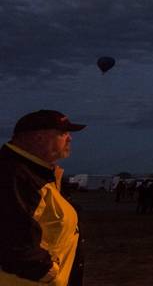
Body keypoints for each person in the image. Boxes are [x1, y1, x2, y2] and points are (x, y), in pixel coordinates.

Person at [0, 109, 86, 286]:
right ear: (39, 137)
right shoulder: (13, 175)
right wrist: (52, 275)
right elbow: (13, 245)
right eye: (63, 133)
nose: (70, 138)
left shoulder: (37, 174)